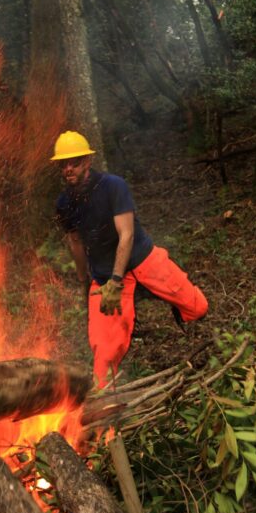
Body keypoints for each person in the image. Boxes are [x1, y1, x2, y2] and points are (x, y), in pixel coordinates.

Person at [52, 130, 208, 387]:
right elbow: (74, 241)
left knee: (198, 307)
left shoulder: (114, 186)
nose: (69, 168)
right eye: (63, 164)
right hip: (104, 276)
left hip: (143, 260)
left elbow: (126, 234)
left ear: (87, 162)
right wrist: (86, 279)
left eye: (75, 162)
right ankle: (108, 417)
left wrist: (116, 279)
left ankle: (170, 303)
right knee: (103, 358)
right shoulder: (63, 204)